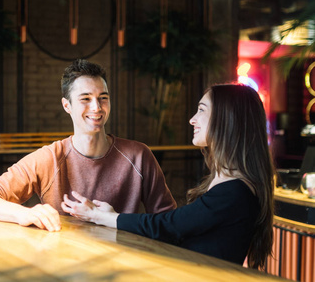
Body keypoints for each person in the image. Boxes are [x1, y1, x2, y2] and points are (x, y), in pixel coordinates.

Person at [62, 83, 275, 268]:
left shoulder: (234, 191)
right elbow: (175, 230)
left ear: (226, 118)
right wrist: (110, 214)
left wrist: (100, 216)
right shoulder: (229, 184)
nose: (192, 119)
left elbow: (168, 226)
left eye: (201, 110)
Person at [0, 59, 176, 232]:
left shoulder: (139, 155)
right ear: (67, 105)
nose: (97, 107)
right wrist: (25, 213)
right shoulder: (49, 158)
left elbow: (169, 223)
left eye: (103, 98)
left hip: (125, 261)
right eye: (85, 98)